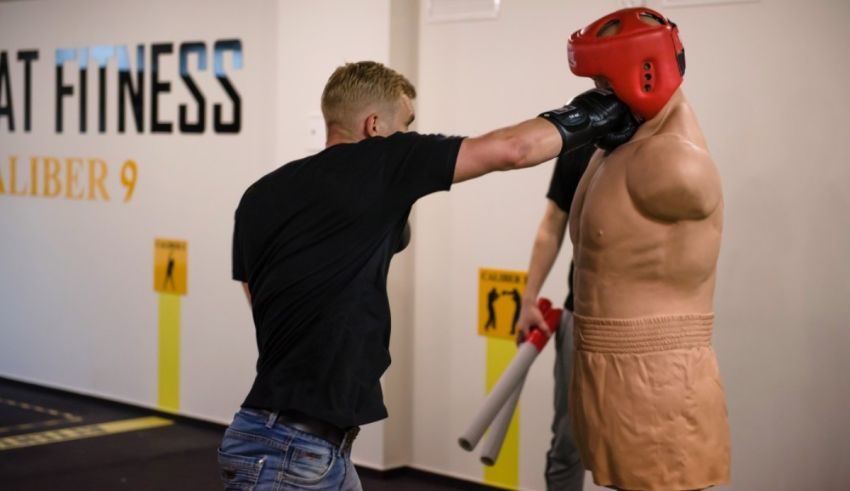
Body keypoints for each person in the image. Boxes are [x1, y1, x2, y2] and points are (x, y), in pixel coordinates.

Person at [219, 60, 637, 490]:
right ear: (374, 125)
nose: (409, 133)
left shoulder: (259, 195)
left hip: (293, 442)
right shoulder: (384, 159)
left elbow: (259, 296)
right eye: (406, 123)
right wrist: (601, 108)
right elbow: (514, 148)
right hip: (293, 454)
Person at [565, 8, 732, 491]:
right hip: (603, 365)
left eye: (604, 81)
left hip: (657, 376)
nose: (598, 94)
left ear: (643, 73)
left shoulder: (675, 163)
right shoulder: (618, 145)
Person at [516, 144, 595, 491]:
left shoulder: (660, 144)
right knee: (569, 440)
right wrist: (528, 299)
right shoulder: (583, 142)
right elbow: (552, 224)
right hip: (581, 318)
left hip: (644, 324)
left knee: (643, 446)